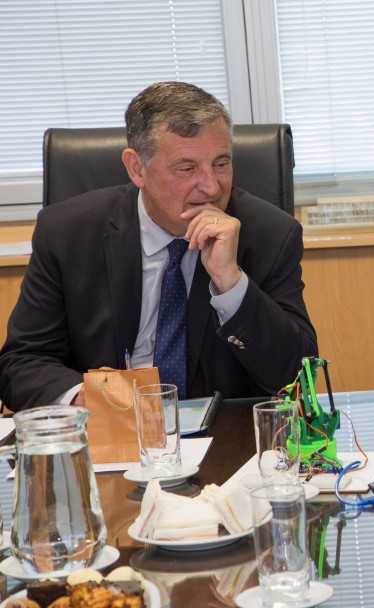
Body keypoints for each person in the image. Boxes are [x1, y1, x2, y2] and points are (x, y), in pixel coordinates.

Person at [0, 81, 318, 411]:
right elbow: (22, 362)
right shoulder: (67, 233)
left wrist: (232, 282)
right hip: (110, 438)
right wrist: (84, 395)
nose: (211, 186)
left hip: (224, 443)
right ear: (137, 167)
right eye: (187, 168)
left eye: (221, 163)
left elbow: (296, 377)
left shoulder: (270, 235)